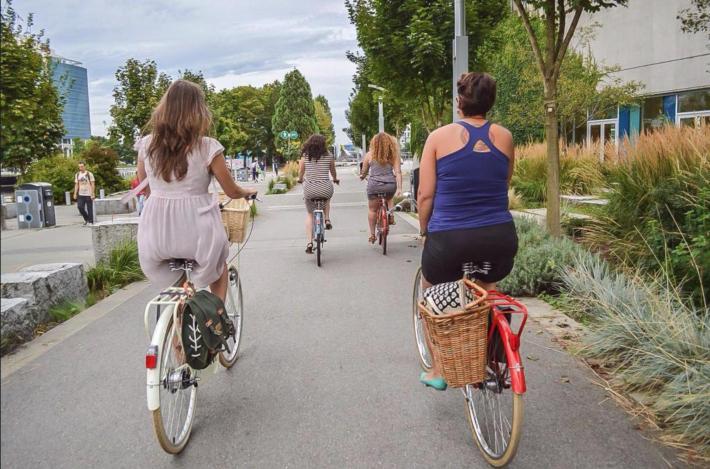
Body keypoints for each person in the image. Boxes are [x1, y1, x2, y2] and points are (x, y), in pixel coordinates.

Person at [417, 72, 518, 390]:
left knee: (430, 292)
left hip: (450, 242)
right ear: (490, 103)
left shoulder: (437, 137)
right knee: (487, 289)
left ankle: (438, 368)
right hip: (498, 239)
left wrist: (425, 231)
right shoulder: (505, 137)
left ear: (459, 102)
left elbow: (425, 196)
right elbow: (504, 183)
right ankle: (489, 357)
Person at [135, 79, 256, 301]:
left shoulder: (147, 145)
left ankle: (174, 329)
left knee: (177, 287)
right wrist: (245, 191)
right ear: (198, 110)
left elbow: (144, 187)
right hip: (197, 228)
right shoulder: (208, 146)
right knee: (218, 267)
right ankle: (215, 321)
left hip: (157, 231)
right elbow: (230, 190)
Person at [297, 134, 339, 254]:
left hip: (310, 189)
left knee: (310, 215)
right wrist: (335, 179)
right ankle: (326, 219)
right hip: (325, 188)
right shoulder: (329, 156)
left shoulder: (305, 156)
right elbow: (333, 172)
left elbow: (301, 172)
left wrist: (300, 179)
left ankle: (309, 242)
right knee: (327, 199)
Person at [359, 132, 402, 243]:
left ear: (374, 143)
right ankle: (391, 215)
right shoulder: (393, 155)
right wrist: (399, 188)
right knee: (389, 197)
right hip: (390, 185)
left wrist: (362, 176)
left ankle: (372, 234)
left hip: (374, 186)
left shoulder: (369, 155)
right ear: (389, 143)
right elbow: (398, 172)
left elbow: (364, 172)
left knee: (372, 210)